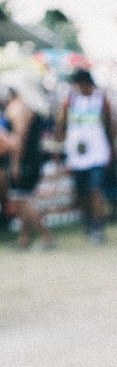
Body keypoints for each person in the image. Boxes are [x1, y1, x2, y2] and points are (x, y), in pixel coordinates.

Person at [56, 67, 116, 243]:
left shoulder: (101, 99)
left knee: (95, 189)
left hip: (97, 153)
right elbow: (62, 123)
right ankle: (88, 222)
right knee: (81, 192)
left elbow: (109, 126)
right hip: (76, 154)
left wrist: (111, 149)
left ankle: (98, 225)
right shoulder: (70, 100)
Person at [2, 76, 56, 249]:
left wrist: (15, 163)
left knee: (22, 200)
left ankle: (46, 237)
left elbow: (19, 139)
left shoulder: (17, 108)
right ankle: (24, 239)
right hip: (32, 158)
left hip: (24, 160)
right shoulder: (30, 107)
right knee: (22, 198)